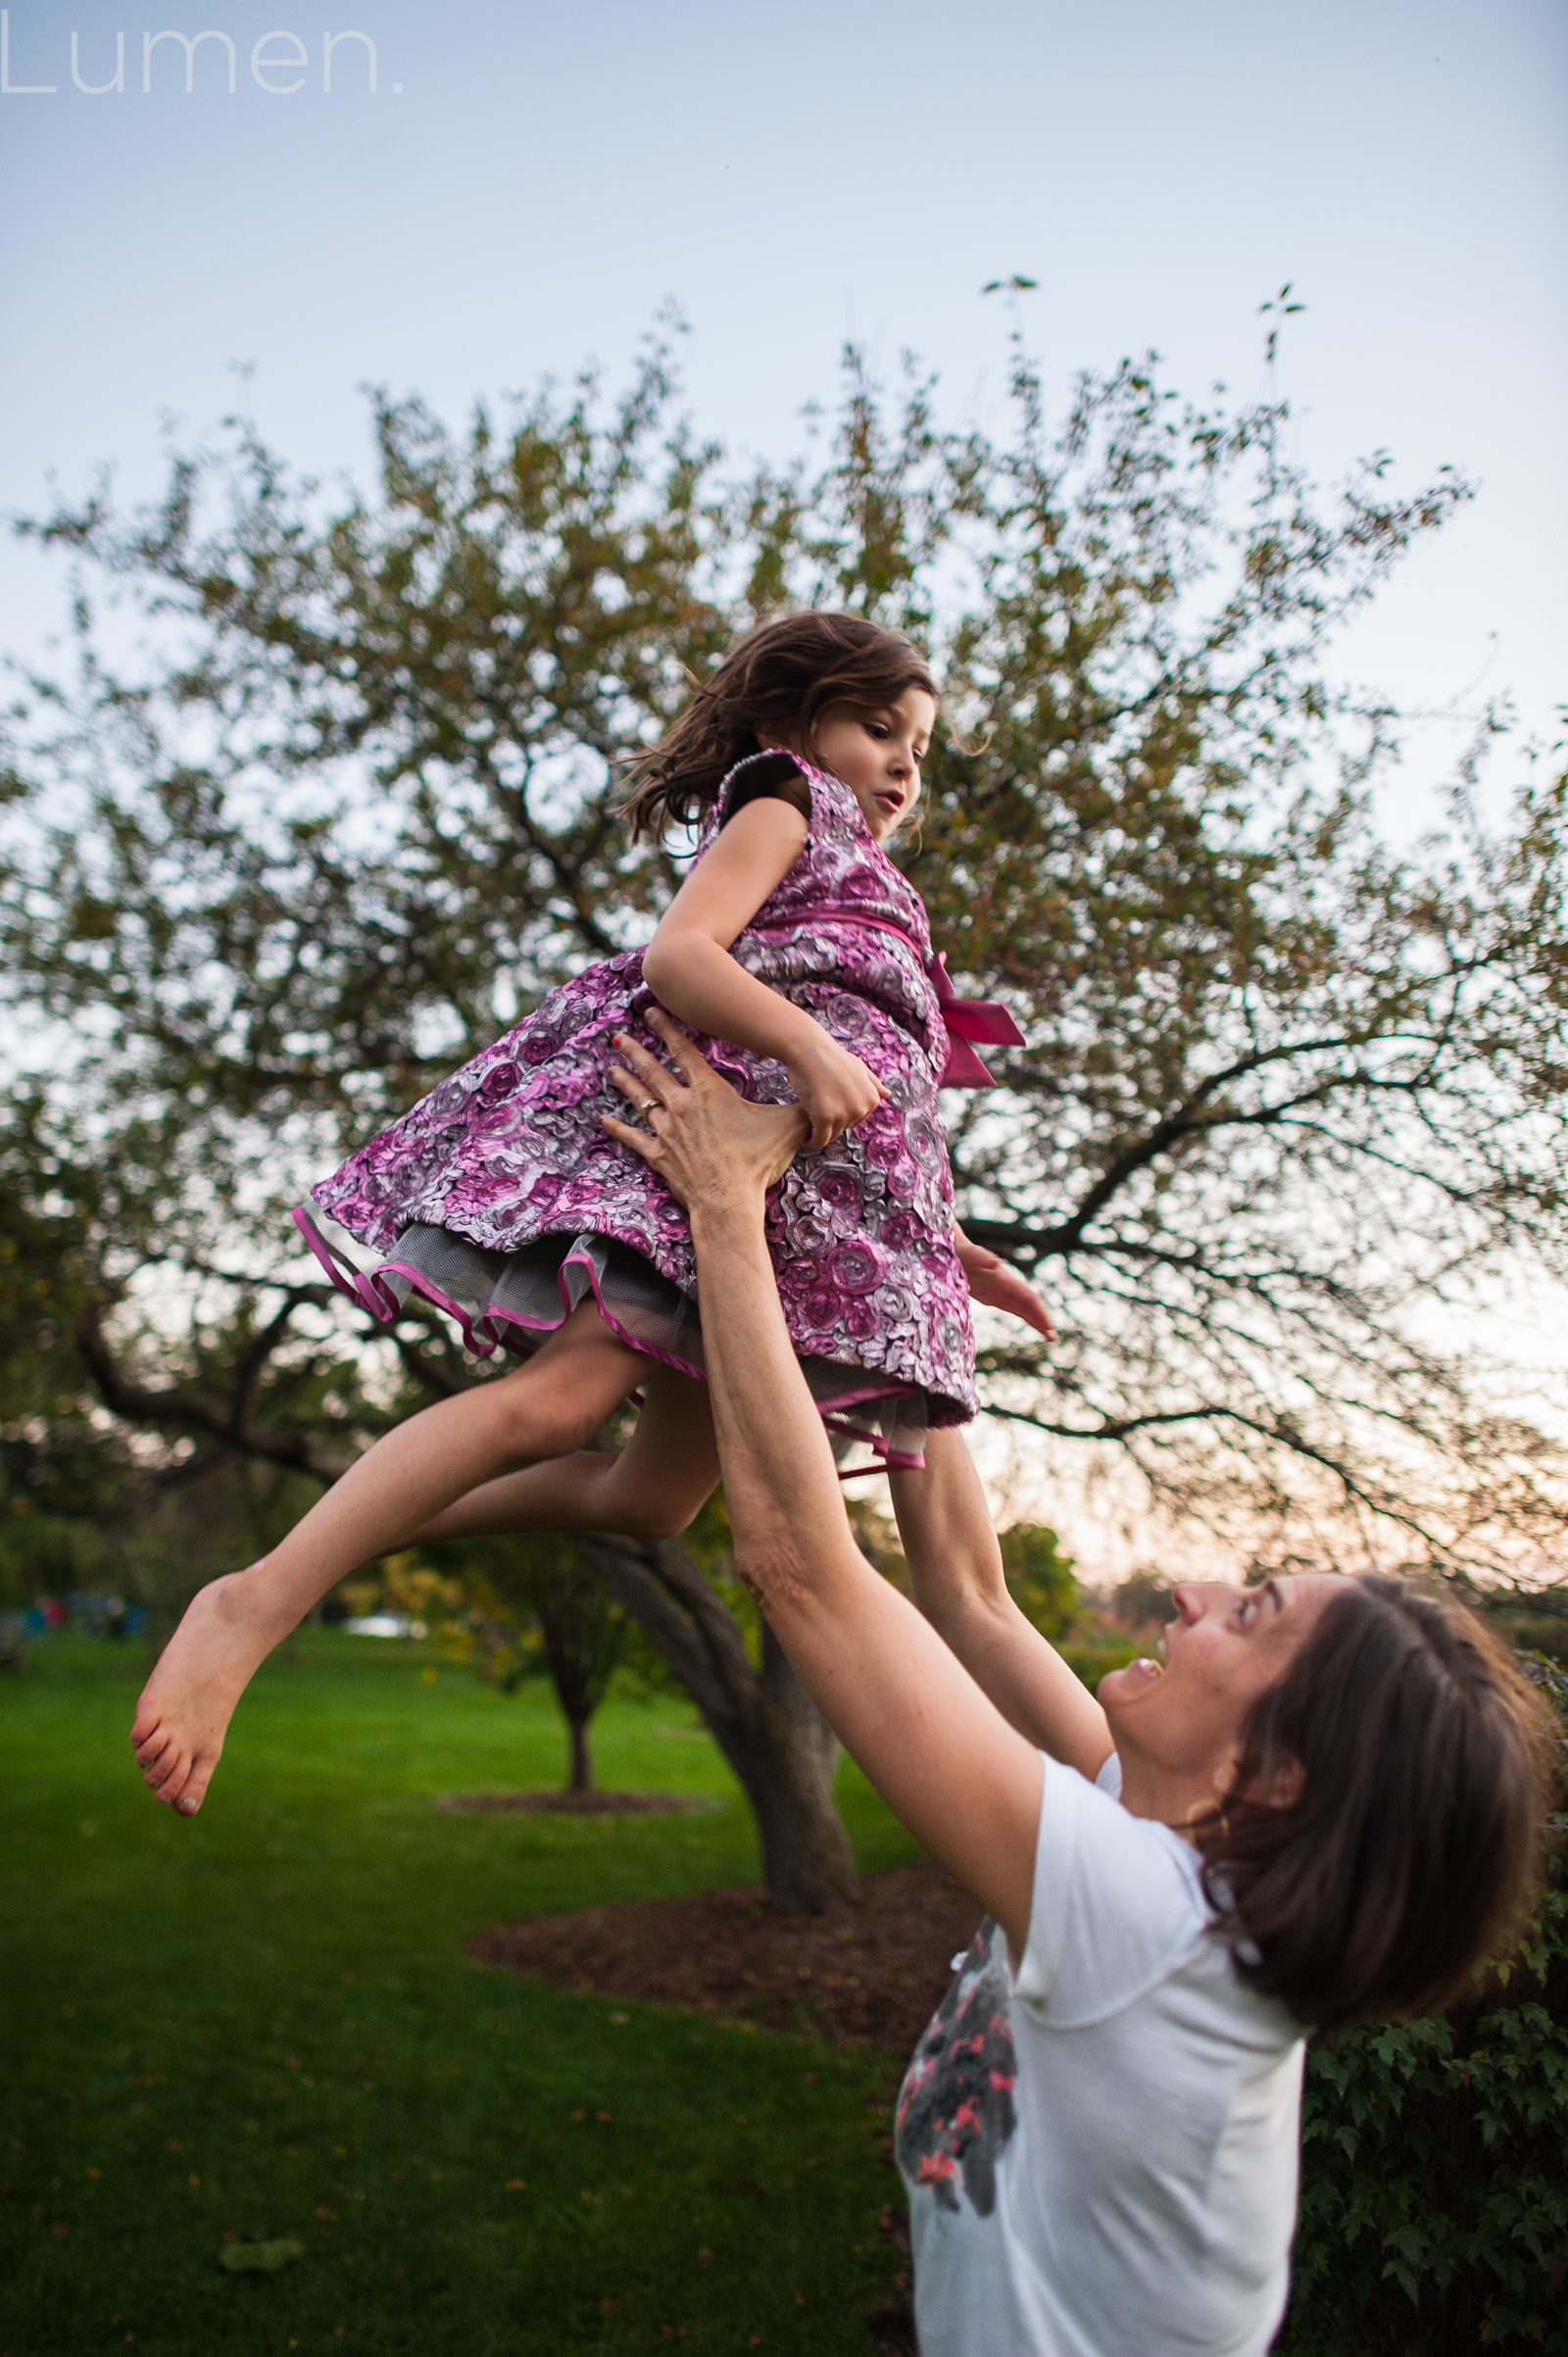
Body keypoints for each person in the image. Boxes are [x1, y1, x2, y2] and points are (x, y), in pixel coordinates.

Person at [599, 1011, 1551, 2357]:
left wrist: (725, 1202)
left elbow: (804, 1570)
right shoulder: (1159, 1844)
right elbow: (974, 1598)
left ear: (1283, 1773)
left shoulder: (1155, 1935)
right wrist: (910, 1282)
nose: (1194, 1592)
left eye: (1252, 1612)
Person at [130, 612, 1050, 1813]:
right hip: (695, 1158)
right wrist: (801, 1043)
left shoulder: (892, 898)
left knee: (652, 1500)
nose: (903, 765)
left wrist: (943, 1240)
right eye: (879, 729)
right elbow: (682, 956)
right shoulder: (785, 805)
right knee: (558, 1403)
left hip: (787, 1218)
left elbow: (881, 1110)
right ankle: (255, 1597)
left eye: (920, 748)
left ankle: (370, 1525)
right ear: (790, 727)